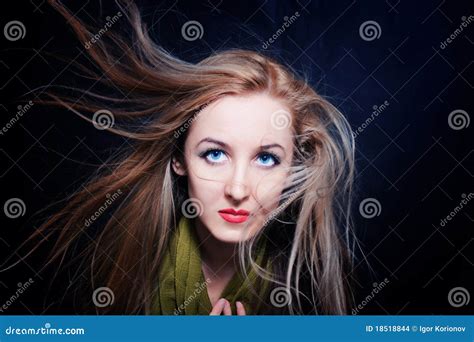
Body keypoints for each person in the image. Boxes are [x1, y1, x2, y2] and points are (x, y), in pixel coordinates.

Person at [19, 0, 356, 315]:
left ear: (292, 168)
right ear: (179, 159)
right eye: (214, 154)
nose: (238, 190)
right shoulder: (114, 272)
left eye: (266, 159)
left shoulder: (315, 290)